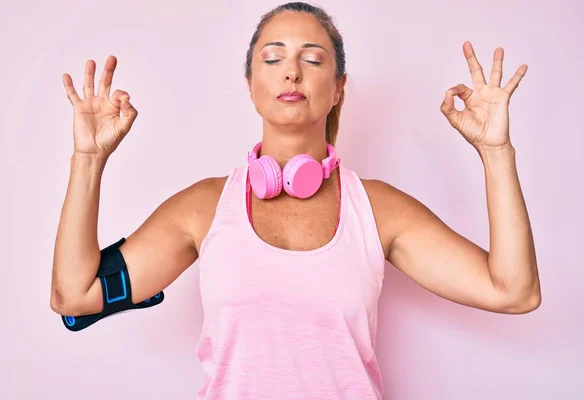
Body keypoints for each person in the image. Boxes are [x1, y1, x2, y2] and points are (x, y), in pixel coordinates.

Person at [50, 2, 541, 398]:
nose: (291, 73)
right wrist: (88, 159)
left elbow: (513, 291)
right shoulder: (203, 208)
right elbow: (75, 295)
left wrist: (496, 151)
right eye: (272, 58)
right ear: (250, 86)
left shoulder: (378, 210)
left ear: (337, 88)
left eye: (311, 59)